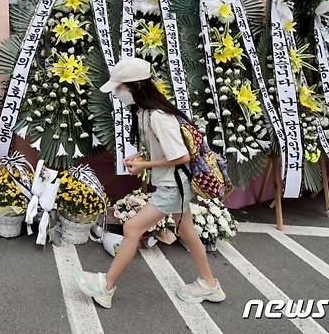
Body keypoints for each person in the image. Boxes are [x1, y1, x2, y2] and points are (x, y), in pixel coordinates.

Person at [73, 58, 226, 308]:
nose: (117, 93)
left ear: (136, 87)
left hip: (173, 186)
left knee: (132, 229)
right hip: (173, 184)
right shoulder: (145, 112)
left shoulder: (158, 116)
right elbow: (163, 151)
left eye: (120, 88)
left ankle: (105, 286)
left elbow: (181, 157)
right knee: (187, 232)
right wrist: (141, 157)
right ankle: (209, 284)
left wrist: (144, 165)